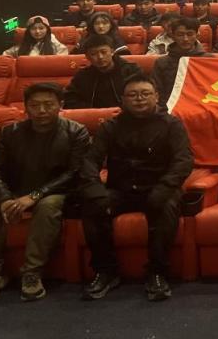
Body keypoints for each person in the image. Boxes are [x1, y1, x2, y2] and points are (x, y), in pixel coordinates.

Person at [0, 83, 89, 303]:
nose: (42, 110)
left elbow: (74, 173)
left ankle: (32, 272)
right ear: (25, 107)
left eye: (48, 104)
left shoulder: (76, 131)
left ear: (60, 105)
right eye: (35, 105)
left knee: (48, 205)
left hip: (56, 191)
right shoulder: (10, 132)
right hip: (15, 191)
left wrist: (34, 196)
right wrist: (5, 199)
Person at [80, 74, 192, 302]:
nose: (139, 99)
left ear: (157, 96)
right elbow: (90, 161)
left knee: (166, 207)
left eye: (145, 94)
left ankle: (157, 273)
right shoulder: (110, 127)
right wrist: (95, 190)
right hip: (120, 189)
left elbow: (183, 161)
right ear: (122, 99)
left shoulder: (172, 124)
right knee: (93, 207)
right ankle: (106, 272)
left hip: (159, 188)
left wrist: (164, 187)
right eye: (132, 95)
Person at [64, 35, 141, 108]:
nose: (100, 57)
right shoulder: (82, 76)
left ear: (112, 51)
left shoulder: (131, 70)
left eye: (104, 52)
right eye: (93, 54)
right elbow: (70, 99)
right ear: (87, 57)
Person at [153, 17, 215, 104]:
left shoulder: (208, 60)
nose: (185, 39)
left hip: (203, 104)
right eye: (180, 35)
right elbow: (158, 92)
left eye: (190, 34)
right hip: (171, 106)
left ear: (197, 35)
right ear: (173, 36)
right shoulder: (161, 62)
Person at [3, 16, 69, 57]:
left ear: (47, 30)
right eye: (33, 28)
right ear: (29, 31)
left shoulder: (54, 43)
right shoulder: (23, 45)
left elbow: (62, 57)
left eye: (41, 28)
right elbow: (6, 55)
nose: (37, 31)